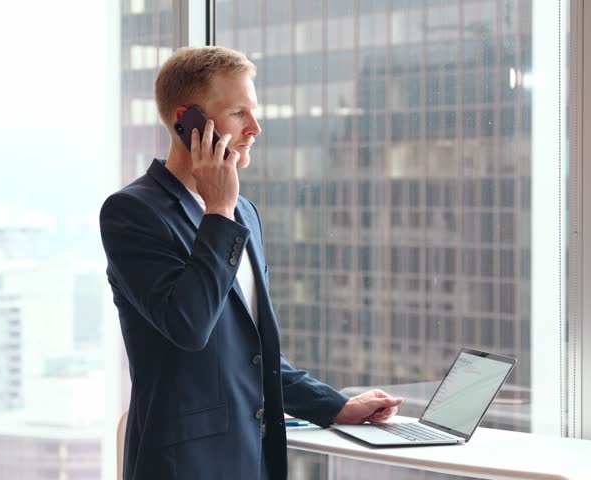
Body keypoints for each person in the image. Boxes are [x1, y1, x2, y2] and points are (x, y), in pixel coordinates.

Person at [100, 46, 403, 480]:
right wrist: (218, 208)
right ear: (188, 123)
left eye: (253, 112)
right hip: (183, 466)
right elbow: (188, 325)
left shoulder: (246, 214)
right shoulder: (133, 212)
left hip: (251, 460)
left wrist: (335, 405)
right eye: (239, 113)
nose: (255, 129)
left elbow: (251, 356)